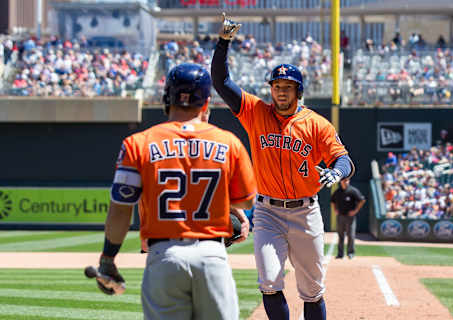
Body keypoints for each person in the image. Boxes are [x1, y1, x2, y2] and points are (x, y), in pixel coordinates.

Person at [212, 13, 355, 320]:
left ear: (298, 91)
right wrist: (224, 42)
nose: (280, 90)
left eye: (287, 86)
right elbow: (221, 82)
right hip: (267, 212)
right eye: (276, 85)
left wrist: (336, 171)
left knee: (312, 289)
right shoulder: (255, 111)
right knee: (269, 281)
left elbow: (343, 159)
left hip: (305, 212)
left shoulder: (316, 124)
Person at [95, 62, 257, 320]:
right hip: (212, 255)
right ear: (206, 103)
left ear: (166, 98)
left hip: (163, 256)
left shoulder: (137, 143)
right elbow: (247, 200)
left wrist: (108, 258)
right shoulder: (229, 142)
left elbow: (120, 209)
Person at [330, 178, 366, 259]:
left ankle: (351, 253)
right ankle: (340, 254)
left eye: (347, 180)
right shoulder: (338, 191)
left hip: (350, 217)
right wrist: (335, 209)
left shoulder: (353, 191)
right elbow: (332, 201)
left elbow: (362, 200)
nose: (345, 182)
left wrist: (355, 210)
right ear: (341, 182)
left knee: (351, 235)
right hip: (340, 216)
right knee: (340, 235)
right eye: (344, 180)